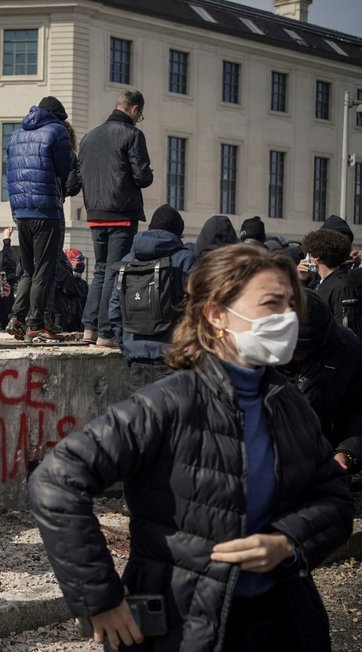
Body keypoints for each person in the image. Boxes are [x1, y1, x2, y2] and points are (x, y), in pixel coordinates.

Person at [30, 244, 353, 652]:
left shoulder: (291, 405)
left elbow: (334, 500)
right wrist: (99, 600)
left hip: (282, 620)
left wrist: (288, 542)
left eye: (292, 304)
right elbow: (56, 481)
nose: (287, 318)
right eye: (272, 303)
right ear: (217, 314)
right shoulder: (167, 403)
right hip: (182, 627)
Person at [69, 90, 153, 347]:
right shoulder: (133, 135)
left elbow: (80, 176)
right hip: (121, 211)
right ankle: (106, 333)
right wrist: (150, 173)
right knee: (115, 272)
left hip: (95, 213)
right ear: (135, 110)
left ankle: (89, 328)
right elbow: (142, 177)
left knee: (100, 270)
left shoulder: (89, 137)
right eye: (141, 114)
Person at [4, 96, 72, 342]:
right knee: (44, 268)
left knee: (28, 270)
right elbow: (65, 168)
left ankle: (17, 318)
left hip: (21, 211)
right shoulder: (57, 131)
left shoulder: (16, 134)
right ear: (57, 116)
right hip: (46, 210)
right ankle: (36, 324)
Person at [108, 204, 197, 391]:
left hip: (135, 361)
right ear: (177, 234)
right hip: (171, 359)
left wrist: (127, 346)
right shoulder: (185, 259)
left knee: (140, 418)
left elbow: (114, 309)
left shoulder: (127, 261)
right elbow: (197, 308)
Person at [280, 290, 362, 475]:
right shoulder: (249, 351)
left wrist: (347, 452)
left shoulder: (347, 349)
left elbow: (355, 408)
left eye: (306, 349)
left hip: (320, 464)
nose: (298, 356)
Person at [300, 229, 357, 328]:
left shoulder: (342, 286)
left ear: (316, 256)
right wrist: (302, 280)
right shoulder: (321, 282)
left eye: (309, 252)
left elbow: (346, 328)